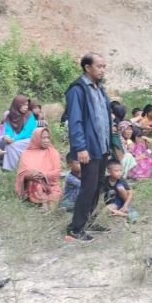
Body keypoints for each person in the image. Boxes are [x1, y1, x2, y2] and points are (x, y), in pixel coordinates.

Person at [64, 52, 111, 242]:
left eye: (104, 66)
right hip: (89, 148)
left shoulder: (100, 89)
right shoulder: (78, 90)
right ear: (87, 67)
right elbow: (75, 121)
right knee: (88, 187)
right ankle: (75, 229)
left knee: (97, 185)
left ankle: (89, 221)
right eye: (99, 66)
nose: (102, 70)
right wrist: (80, 148)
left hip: (102, 146)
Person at [15, 128, 62, 209]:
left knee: (55, 195)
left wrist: (44, 174)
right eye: (43, 138)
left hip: (50, 185)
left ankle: (50, 207)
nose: (47, 140)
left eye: (48, 137)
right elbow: (22, 174)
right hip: (35, 184)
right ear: (36, 138)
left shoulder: (53, 152)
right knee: (35, 184)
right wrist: (28, 176)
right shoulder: (26, 154)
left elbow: (57, 172)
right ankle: (44, 204)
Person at [1, 95, 38, 171]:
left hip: (30, 139)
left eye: (27, 105)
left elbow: (26, 132)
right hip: (19, 139)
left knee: (11, 145)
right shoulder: (10, 116)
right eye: (23, 105)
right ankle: (5, 165)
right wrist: (7, 136)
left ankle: (8, 169)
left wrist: (14, 139)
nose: (26, 107)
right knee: (4, 142)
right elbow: (9, 130)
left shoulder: (29, 115)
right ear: (17, 105)